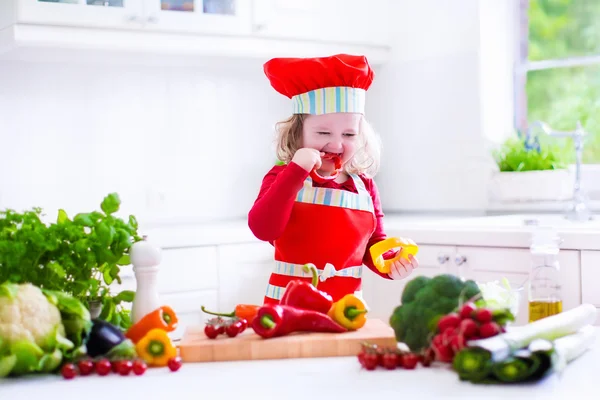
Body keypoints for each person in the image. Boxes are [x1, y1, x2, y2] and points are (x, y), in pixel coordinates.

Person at [248, 54, 419, 305]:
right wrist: (297, 169)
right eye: (323, 132)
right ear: (298, 133)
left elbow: (373, 245)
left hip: (346, 308)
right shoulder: (283, 176)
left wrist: (391, 263)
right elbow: (263, 229)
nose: (337, 144)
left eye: (349, 133)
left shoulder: (363, 186)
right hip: (287, 306)